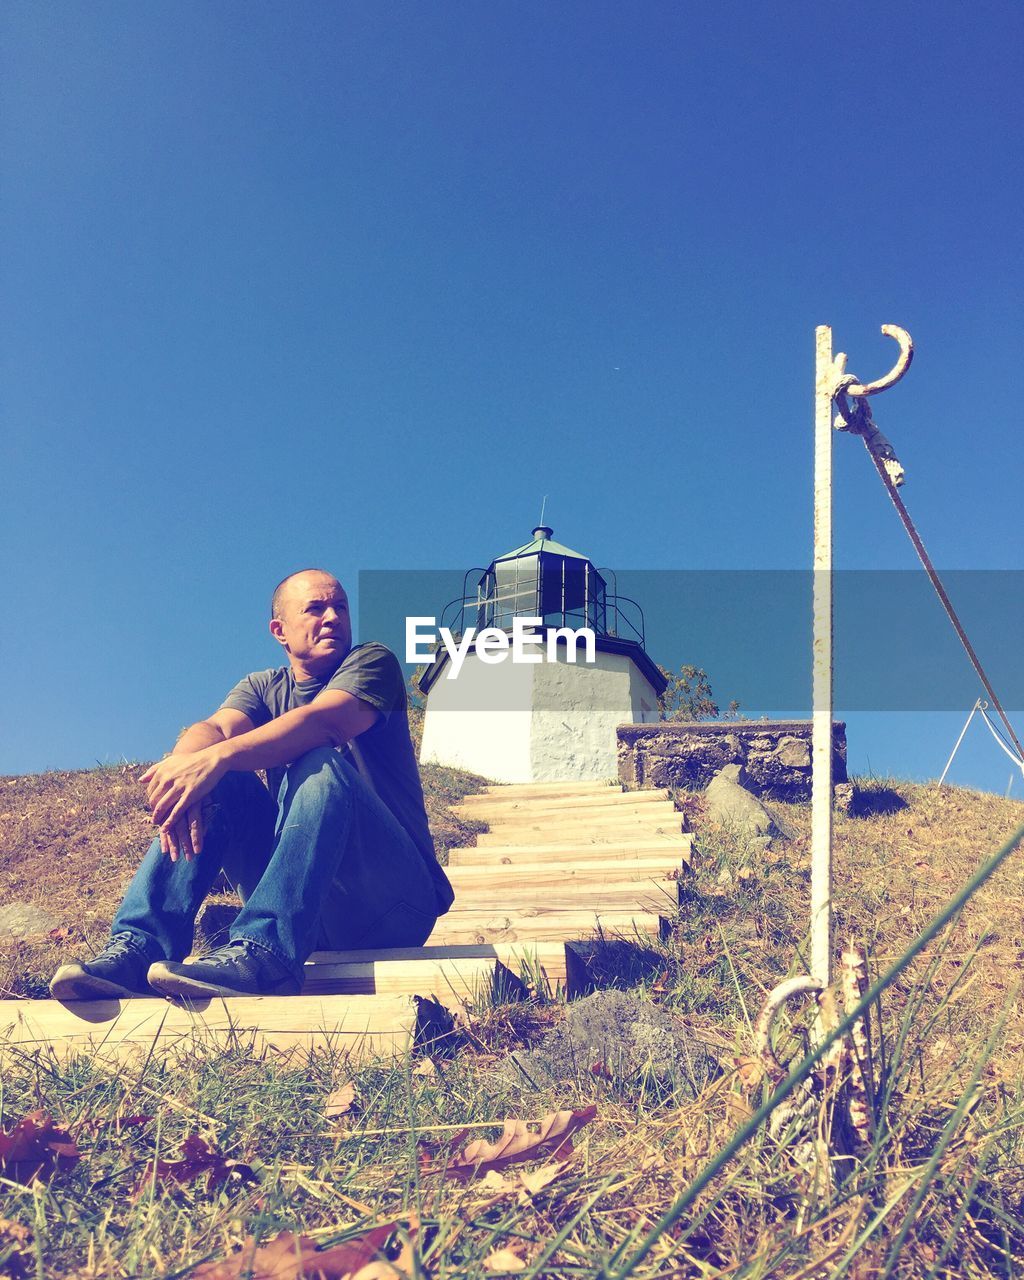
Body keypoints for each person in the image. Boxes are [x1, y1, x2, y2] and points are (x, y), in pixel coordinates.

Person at [50, 569, 454, 1001]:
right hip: (310, 916)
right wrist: (186, 771)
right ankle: (139, 949)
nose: (333, 617)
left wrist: (217, 758)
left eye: (340, 607)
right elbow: (214, 728)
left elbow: (324, 722)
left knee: (315, 761)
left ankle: (266, 956)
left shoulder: (373, 662)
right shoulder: (263, 687)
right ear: (279, 630)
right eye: (315, 608)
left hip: (393, 908)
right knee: (217, 783)